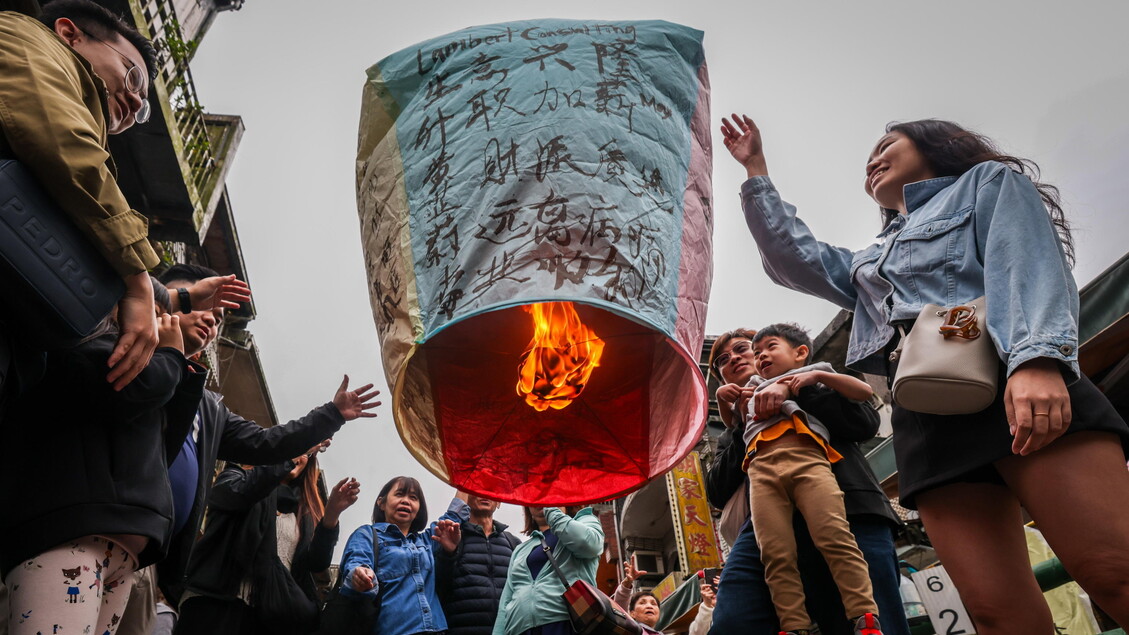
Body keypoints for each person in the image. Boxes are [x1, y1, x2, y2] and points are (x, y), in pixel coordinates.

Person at [721, 114, 1129, 632]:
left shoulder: (987, 182)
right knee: (994, 613)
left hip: (1012, 376)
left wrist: (1037, 361)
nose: (872, 160)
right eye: (868, 155)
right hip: (923, 412)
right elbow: (791, 257)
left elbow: (1025, 262)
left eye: (887, 144)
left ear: (938, 145)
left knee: (1114, 572)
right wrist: (755, 168)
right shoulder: (870, 258)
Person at [154, 263, 381, 608]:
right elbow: (229, 494)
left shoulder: (211, 409)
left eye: (218, 316)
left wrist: (332, 415)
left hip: (155, 552)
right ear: (167, 301)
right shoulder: (129, 345)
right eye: (202, 304)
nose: (214, 320)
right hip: (103, 529)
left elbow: (268, 442)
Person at [0, 276, 206, 635]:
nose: (156, 330)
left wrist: (179, 373)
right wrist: (171, 357)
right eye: (153, 315)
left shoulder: (152, 370)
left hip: (124, 551)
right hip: (68, 533)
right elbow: (129, 388)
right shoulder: (82, 342)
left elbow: (165, 450)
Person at [2, 0, 157, 399]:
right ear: (70, 34)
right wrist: (137, 282)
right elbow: (63, 142)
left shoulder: (90, 150)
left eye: (144, 106)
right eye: (133, 75)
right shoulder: (23, 35)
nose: (138, 102)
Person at [706, 329, 908, 635]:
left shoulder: (815, 380)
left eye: (744, 349)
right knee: (733, 619)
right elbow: (716, 492)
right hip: (764, 525)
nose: (734, 358)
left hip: (850, 508)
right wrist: (744, 422)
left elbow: (865, 422)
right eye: (722, 360)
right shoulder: (729, 432)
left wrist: (794, 389)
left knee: (871, 615)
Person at [175, 445, 360, 634]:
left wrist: (331, 515)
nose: (298, 456)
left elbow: (315, 563)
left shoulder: (303, 514)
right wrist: (282, 460)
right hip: (214, 602)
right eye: (295, 446)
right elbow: (229, 496)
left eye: (305, 453)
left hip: (266, 614)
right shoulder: (238, 477)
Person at [340, 476, 463, 635]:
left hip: (437, 630)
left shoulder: (429, 540)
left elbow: (455, 512)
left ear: (419, 509)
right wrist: (360, 575)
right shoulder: (367, 534)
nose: (406, 501)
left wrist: (470, 469)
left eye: (413, 497)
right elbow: (356, 562)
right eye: (399, 494)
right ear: (381, 503)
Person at [492, 506, 604, 635]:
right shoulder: (520, 550)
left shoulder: (584, 520)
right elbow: (506, 599)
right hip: (520, 629)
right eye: (536, 496)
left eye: (547, 493)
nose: (541, 498)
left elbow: (589, 545)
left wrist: (552, 510)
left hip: (565, 623)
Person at [438, 493, 521, 635]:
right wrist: (448, 554)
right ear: (466, 498)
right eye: (477, 490)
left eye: (490, 490)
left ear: (499, 502)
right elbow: (439, 586)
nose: (484, 494)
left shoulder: (513, 543)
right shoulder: (451, 536)